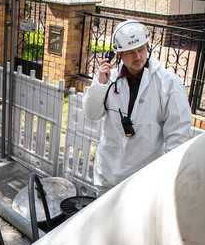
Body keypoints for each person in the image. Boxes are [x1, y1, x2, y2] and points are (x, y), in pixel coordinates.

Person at [82, 19, 192, 197]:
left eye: (141, 49)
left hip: (142, 182)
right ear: (119, 54)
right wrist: (100, 83)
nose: (138, 57)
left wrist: (169, 178)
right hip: (107, 176)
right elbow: (92, 114)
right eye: (131, 52)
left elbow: (178, 135)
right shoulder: (110, 79)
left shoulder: (168, 83)